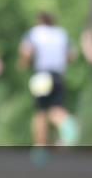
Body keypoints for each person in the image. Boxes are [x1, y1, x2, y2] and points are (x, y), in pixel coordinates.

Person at [19, 12, 78, 146]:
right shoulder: (61, 34)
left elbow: (26, 51)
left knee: (40, 112)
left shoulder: (35, 33)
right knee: (56, 108)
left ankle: (40, 145)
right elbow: (72, 55)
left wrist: (24, 63)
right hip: (58, 74)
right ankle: (67, 124)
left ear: (39, 21)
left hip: (42, 75)